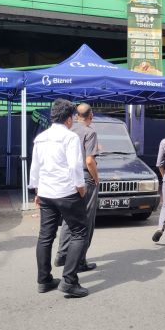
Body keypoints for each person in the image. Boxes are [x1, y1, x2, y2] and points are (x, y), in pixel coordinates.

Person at [29, 99, 89, 298]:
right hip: (66, 192)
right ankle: (69, 281)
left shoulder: (41, 137)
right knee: (79, 232)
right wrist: (81, 188)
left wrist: (36, 191)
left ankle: (44, 280)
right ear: (69, 118)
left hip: (46, 193)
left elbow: (35, 167)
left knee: (45, 236)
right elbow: (74, 166)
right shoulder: (70, 137)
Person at [55, 103, 100, 272]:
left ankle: (62, 254)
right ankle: (80, 260)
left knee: (69, 218)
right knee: (86, 220)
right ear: (91, 115)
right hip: (85, 178)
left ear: (75, 116)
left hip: (67, 178)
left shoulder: (68, 131)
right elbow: (89, 161)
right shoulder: (90, 132)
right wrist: (96, 178)